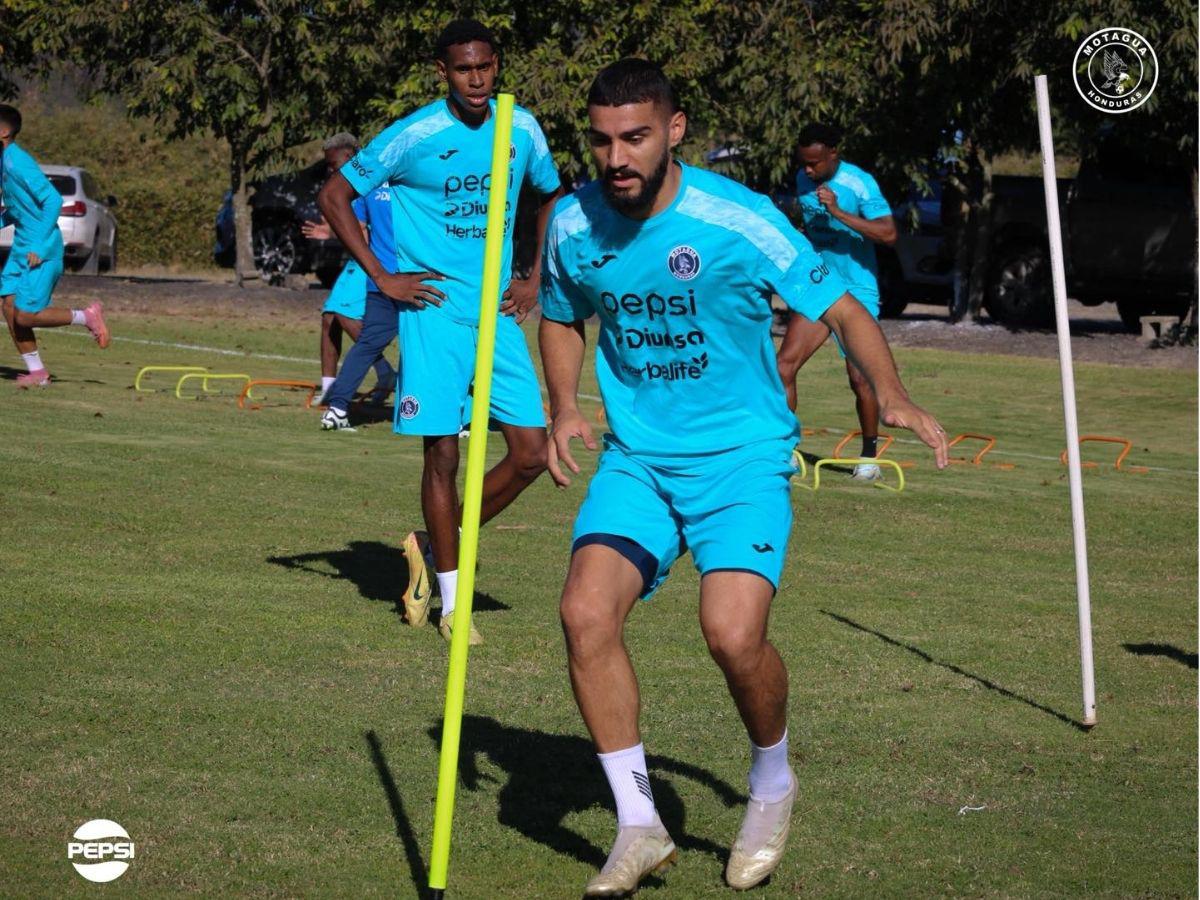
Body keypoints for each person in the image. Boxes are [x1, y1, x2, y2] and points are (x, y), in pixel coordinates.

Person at [537, 59, 947, 895]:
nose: (616, 158)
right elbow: (557, 314)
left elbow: (840, 308)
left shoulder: (741, 218)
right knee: (584, 612)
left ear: (674, 131)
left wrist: (893, 393)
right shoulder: (571, 223)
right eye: (603, 140)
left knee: (731, 634)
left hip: (742, 462)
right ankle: (641, 824)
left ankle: (772, 781)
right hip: (639, 460)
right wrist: (564, 407)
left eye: (636, 138)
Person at [317, 19, 563, 644]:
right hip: (432, 312)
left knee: (532, 452)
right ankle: (454, 605)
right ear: (443, 72)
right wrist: (384, 277)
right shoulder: (414, 134)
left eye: (485, 66)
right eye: (462, 69)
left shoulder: (522, 127)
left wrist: (533, 275)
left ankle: (432, 540)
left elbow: (551, 195)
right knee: (444, 454)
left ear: (497, 64)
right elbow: (334, 196)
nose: (476, 79)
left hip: (498, 315)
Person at [775, 123, 898, 481]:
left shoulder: (859, 183)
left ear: (833, 154)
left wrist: (840, 213)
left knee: (860, 379)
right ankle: (786, 451)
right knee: (784, 366)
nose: (808, 171)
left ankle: (869, 456)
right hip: (818, 286)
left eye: (815, 164)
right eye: (804, 164)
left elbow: (889, 233)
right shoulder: (802, 181)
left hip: (857, 289)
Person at [0, 104, 109, 385]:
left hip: (41, 248)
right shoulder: (4, 160)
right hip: (22, 247)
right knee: (9, 307)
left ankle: (86, 316)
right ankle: (38, 373)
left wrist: (37, 244)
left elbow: (53, 200)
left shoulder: (17, 162)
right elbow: (19, 207)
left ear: (3, 132)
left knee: (25, 316)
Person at [302, 133, 396, 408]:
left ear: (353, 157)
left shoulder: (366, 181)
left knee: (344, 314)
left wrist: (329, 233)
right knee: (329, 317)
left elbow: (362, 234)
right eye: (329, 166)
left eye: (336, 164)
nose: (333, 171)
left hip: (372, 262)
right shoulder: (348, 184)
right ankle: (330, 388)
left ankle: (384, 372)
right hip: (357, 261)